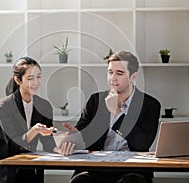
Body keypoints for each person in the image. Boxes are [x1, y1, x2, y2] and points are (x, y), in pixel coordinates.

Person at [62, 50, 161, 183]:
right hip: (96, 167)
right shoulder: (95, 100)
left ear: (133, 77)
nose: (113, 78)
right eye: (110, 72)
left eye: (119, 73)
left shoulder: (150, 105)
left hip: (132, 169)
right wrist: (75, 135)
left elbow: (143, 143)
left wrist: (117, 113)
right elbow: (84, 137)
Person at [0, 57, 56, 183]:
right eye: (30, 78)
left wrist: (59, 147)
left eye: (39, 77)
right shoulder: (4, 105)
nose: (36, 82)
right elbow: (12, 145)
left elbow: (48, 143)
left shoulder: (44, 106)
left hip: (25, 167)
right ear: (18, 80)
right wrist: (33, 132)